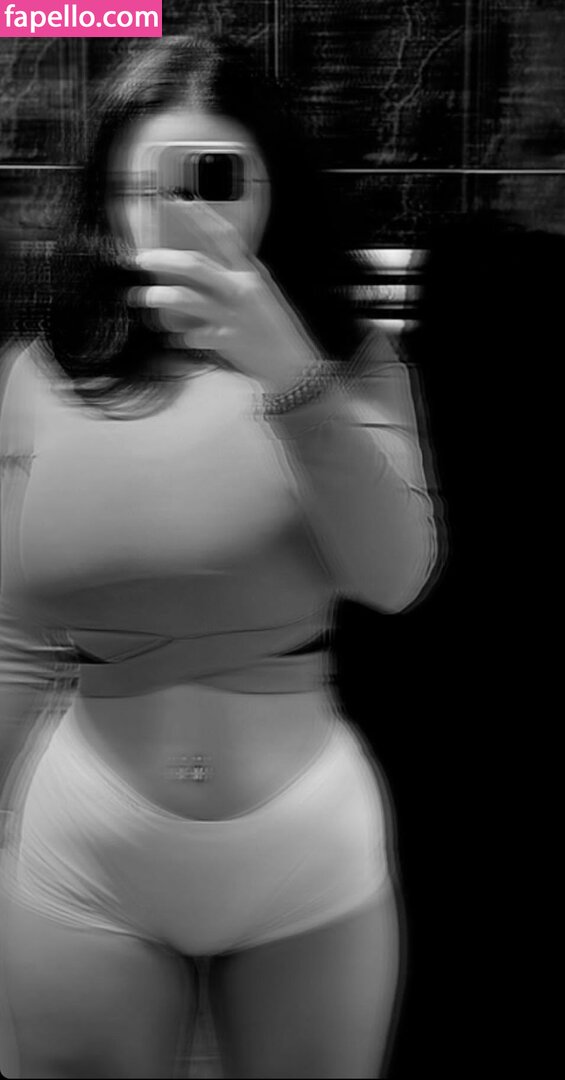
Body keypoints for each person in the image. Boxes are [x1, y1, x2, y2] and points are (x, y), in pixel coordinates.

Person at [0, 35, 437, 1080]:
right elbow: (11, 639)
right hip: (85, 847)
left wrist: (289, 373)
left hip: (304, 858)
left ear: (270, 189)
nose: (178, 213)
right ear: (106, 206)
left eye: (212, 179)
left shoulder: (349, 363)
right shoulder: (38, 375)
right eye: (141, 188)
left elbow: (394, 577)